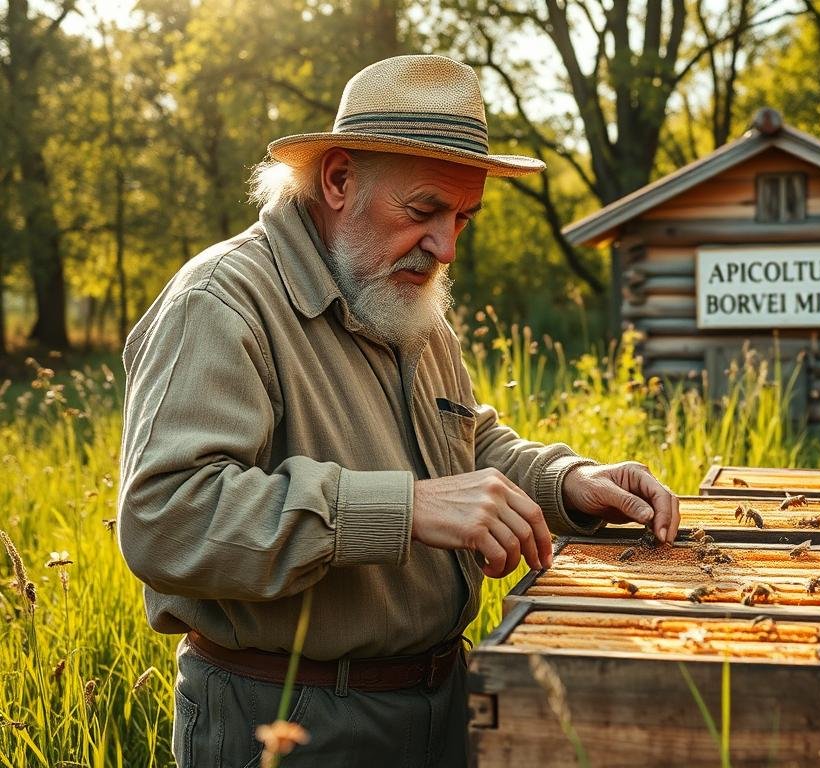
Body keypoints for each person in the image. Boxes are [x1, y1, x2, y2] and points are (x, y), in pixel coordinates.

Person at [117, 54, 679, 767]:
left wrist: (567, 481)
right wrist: (404, 510)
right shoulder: (221, 302)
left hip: (445, 704)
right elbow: (166, 519)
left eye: (463, 219)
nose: (445, 247)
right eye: (425, 212)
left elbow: (463, 445)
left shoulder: (404, 296)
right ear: (340, 179)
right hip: (286, 723)